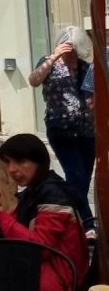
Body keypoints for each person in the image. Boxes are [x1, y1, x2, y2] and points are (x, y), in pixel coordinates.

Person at [0, 132, 88, 291]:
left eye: (20, 161)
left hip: (56, 289)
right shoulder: (32, 193)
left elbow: (39, 248)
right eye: (8, 162)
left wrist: (0, 215)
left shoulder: (54, 195)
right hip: (36, 280)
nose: (11, 169)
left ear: (39, 162)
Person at [29, 26, 96, 218]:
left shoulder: (86, 67)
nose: (70, 52)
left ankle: (72, 217)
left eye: (74, 48)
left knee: (83, 178)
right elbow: (34, 80)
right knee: (74, 174)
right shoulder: (49, 64)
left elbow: (92, 99)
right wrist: (54, 57)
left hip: (87, 131)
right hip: (61, 130)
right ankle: (88, 223)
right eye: (66, 46)